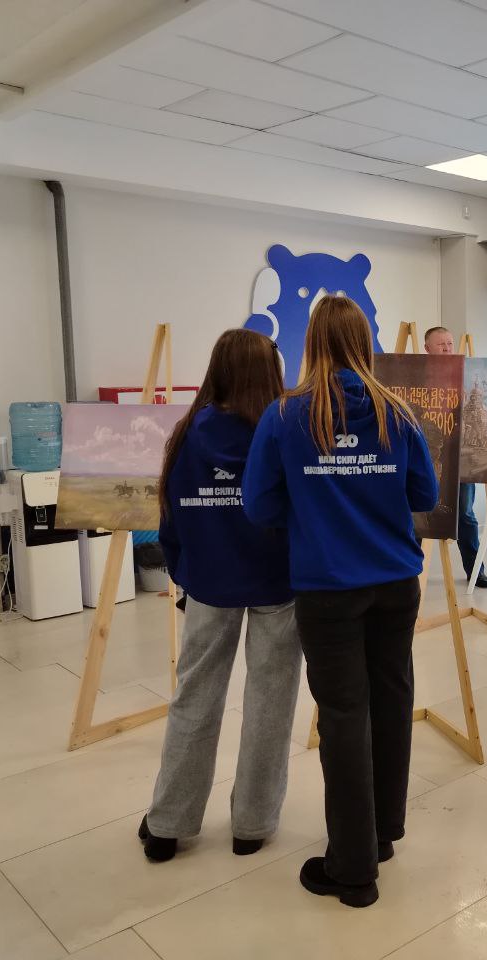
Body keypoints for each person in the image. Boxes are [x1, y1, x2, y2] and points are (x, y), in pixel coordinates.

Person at [244, 295, 437, 908]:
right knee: (392, 701)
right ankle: (381, 834)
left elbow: (258, 504)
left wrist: (314, 511)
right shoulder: (397, 413)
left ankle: (353, 868)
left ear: (312, 343)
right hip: (395, 582)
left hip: (327, 586)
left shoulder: (285, 416)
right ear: (365, 342)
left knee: (344, 715)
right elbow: (425, 494)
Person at [140, 329, 298, 864]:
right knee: (271, 701)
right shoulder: (282, 431)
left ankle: (168, 823)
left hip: (209, 583)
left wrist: (185, 573)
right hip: (278, 583)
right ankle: (253, 823)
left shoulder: (188, 432)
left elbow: (171, 517)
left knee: (195, 698)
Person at [424, 325, 487, 588]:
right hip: (427, 456)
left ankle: (475, 571)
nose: (447, 348)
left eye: (450, 344)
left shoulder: (465, 377)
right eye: (441, 344)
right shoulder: (419, 378)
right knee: (418, 513)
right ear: (427, 349)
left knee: (464, 514)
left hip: (460, 457)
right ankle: (411, 571)